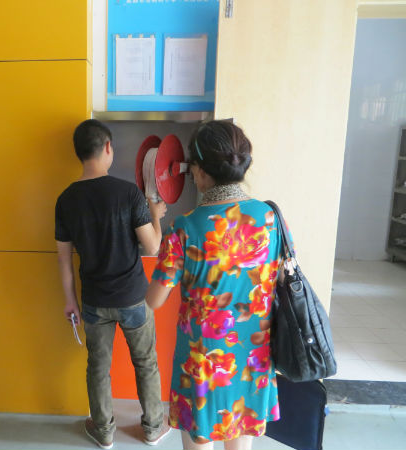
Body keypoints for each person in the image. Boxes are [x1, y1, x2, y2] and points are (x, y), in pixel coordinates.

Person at [145, 120, 283, 450]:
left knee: (200, 436)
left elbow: (154, 299)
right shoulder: (270, 218)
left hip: (204, 358)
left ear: (201, 171)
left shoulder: (184, 227)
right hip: (253, 354)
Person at [55, 119, 171, 449]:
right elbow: (153, 247)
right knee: (145, 363)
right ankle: (152, 428)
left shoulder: (65, 200)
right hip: (134, 298)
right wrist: (156, 214)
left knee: (97, 367)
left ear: (79, 153)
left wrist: (70, 300)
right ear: (107, 147)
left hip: (93, 301)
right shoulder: (128, 193)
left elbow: (63, 259)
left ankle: (104, 431)